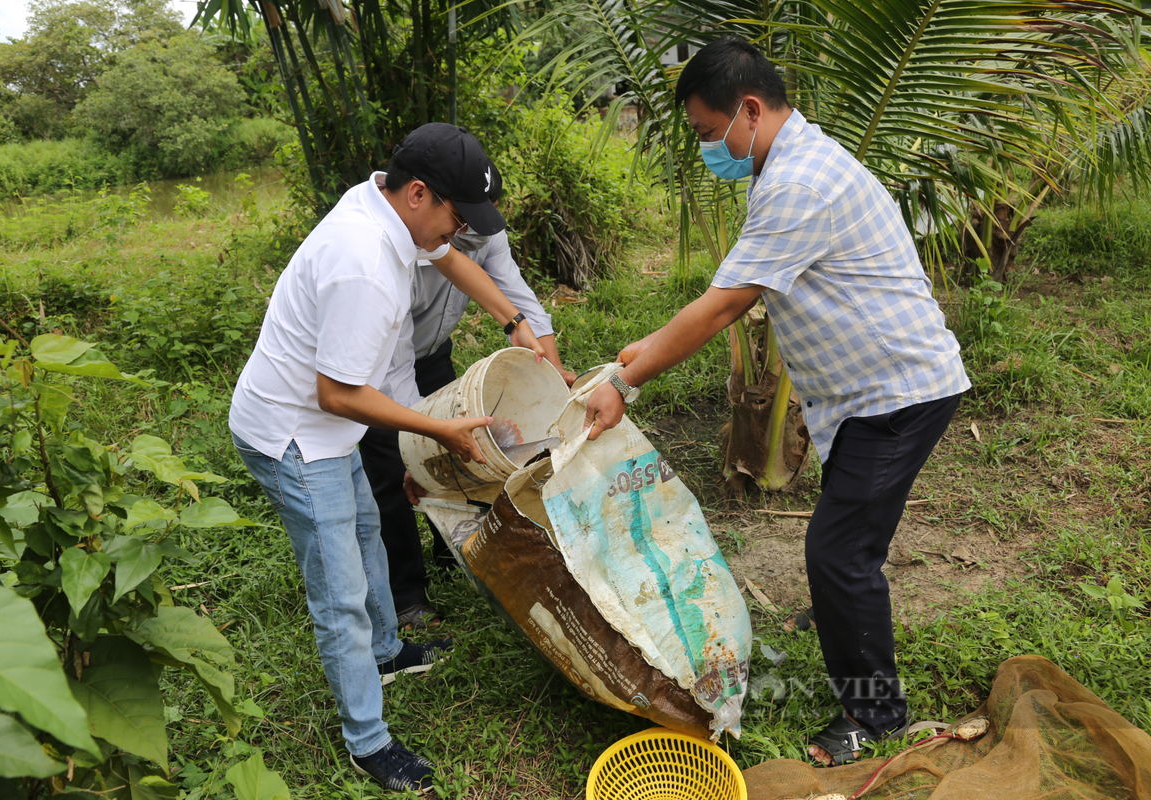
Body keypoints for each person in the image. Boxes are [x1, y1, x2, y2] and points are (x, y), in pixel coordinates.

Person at [584, 37, 971, 767]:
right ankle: (842, 616)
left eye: (707, 132)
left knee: (837, 551)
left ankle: (876, 713)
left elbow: (727, 302)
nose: (708, 149)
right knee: (847, 543)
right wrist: (642, 348)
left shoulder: (799, 183)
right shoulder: (790, 160)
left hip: (897, 393)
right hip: (865, 393)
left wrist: (625, 383)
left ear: (750, 111)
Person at [228, 123, 546, 794]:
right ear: (420, 194)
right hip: (294, 433)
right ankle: (368, 741)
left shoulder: (383, 201)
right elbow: (339, 393)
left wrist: (514, 321)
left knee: (369, 527)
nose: (457, 233)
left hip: (323, 425)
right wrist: (441, 434)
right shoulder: (364, 263)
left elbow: (452, 260)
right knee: (340, 589)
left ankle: (388, 651)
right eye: (456, 217)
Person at [361, 166, 575, 631]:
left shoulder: (477, 231)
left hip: (434, 353)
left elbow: (520, 304)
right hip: (378, 367)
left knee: (462, 457)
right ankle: (406, 597)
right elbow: (394, 368)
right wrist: (419, 446)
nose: (461, 236)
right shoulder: (389, 250)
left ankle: (453, 549)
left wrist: (553, 373)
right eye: (457, 224)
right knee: (391, 470)